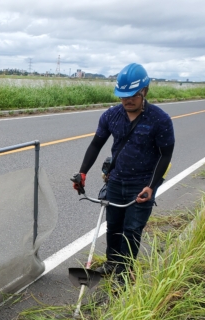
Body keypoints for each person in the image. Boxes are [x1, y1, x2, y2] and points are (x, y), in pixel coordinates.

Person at [73, 63, 175, 280]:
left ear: (144, 91)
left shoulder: (160, 119)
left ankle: (125, 272)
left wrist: (152, 185)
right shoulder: (111, 116)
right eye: (123, 96)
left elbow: (165, 155)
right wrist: (82, 172)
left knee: (132, 229)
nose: (128, 101)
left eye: (133, 96)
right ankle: (112, 264)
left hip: (143, 183)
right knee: (114, 226)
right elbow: (96, 144)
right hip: (116, 179)